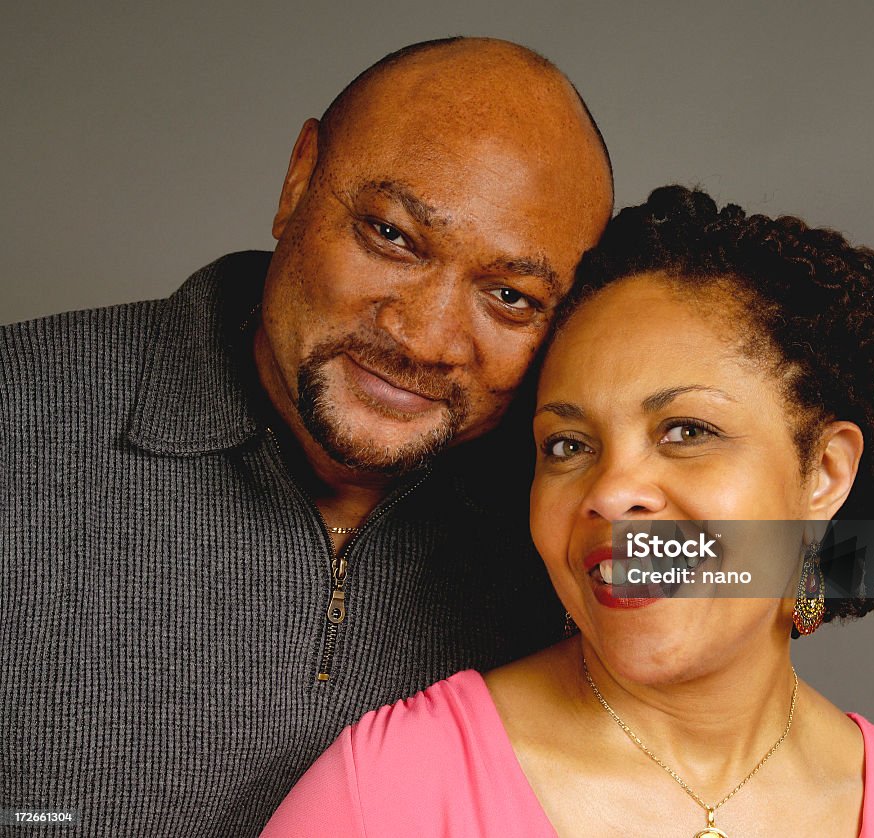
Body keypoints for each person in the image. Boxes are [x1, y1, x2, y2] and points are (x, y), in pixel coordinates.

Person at [0, 38, 613, 837]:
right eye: (392, 237)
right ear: (298, 180)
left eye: (509, 295)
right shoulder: (17, 414)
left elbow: (812, 557)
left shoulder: (560, 502)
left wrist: (796, 579)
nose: (426, 339)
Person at [262, 186, 874, 837]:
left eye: (686, 432)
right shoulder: (390, 795)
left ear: (824, 473)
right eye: (569, 444)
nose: (608, 491)